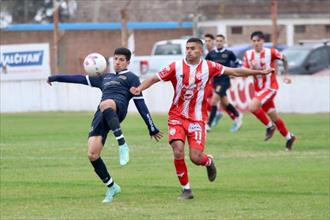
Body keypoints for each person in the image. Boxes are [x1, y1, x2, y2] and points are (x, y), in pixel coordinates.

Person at [130, 38, 272, 200]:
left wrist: (259, 72)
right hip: (176, 116)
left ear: (200, 51)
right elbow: (154, 78)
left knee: (195, 158)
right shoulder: (175, 66)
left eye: (192, 48)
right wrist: (139, 88)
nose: (189, 51)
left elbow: (235, 71)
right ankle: (186, 190)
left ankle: (208, 162)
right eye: (187, 48)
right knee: (177, 150)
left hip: (197, 119)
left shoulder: (209, 66)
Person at [47, 47, 163, 203]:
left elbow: (140, 103)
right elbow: (78, 78)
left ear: (128, 62)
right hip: (101, 114)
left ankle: (122, 144)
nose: (118, 62)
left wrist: (151, 127)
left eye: (122, 60)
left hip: (118, 108)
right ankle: (112, 186)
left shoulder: (132, 78)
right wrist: (54, 77)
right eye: (116, 59)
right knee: (92, 154)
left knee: (106, 103)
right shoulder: (104, 78)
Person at [243, 31, 296, 150]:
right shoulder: (248, 54)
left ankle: (269, 126)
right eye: (254, 41)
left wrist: (286, 74)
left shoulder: (270, 52)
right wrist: (251, 67)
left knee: (252, 106)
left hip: (270, 87)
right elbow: (244, 71)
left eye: (258, 41)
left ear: (263, 41)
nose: (256, 43)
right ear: (252, 42)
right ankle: (289, 137)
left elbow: (284, 58)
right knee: (274, 116)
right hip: (259, 90)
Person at [205, 34, 243, 132]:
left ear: (224, 42)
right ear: (215, 42)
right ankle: (238, 115)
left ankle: (208, 124)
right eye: (217, 41)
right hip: (215, 81)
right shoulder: (211, 54)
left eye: (220, 41)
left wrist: (234, 72)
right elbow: (204, 66)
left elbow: (238, 63)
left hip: (224, 81)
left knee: (213, 101)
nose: (218, 42)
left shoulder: (229, 53)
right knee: (225, 103)